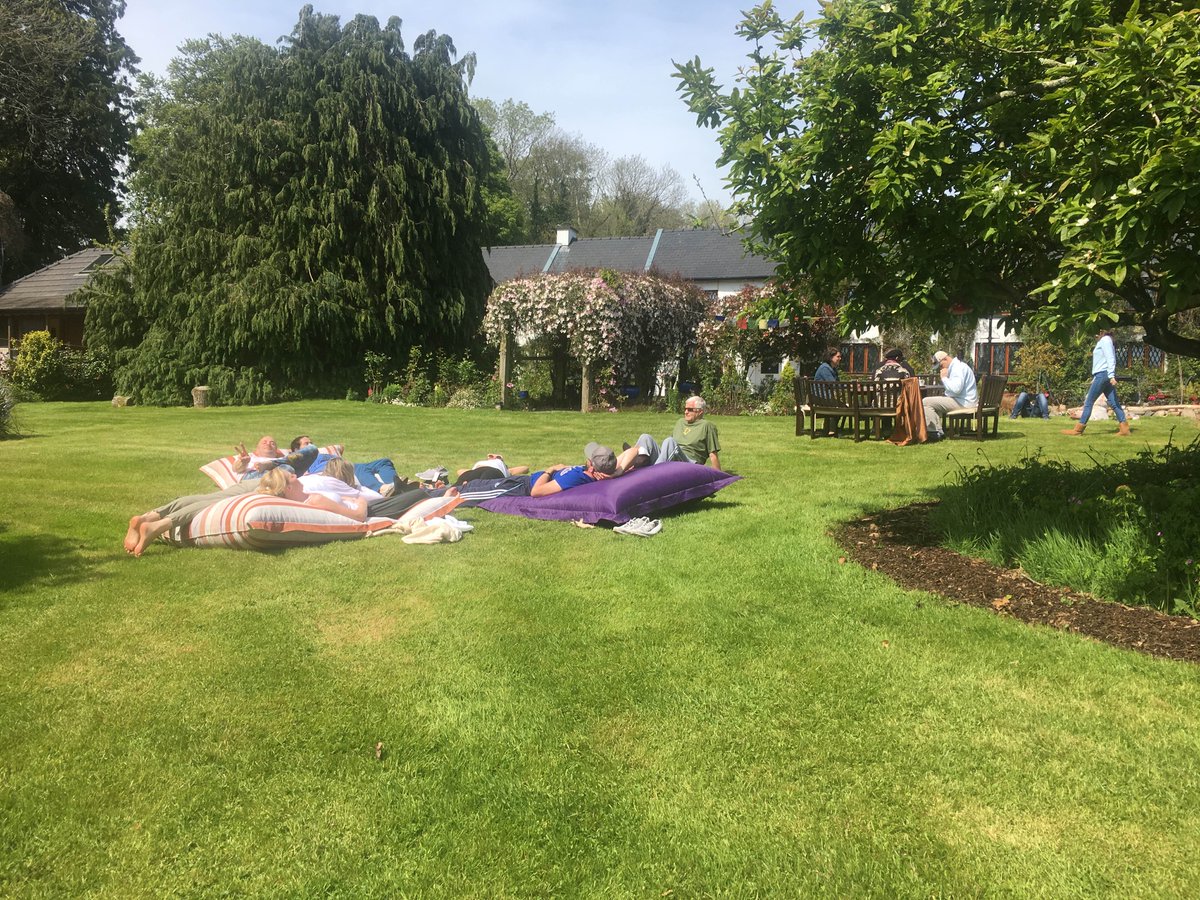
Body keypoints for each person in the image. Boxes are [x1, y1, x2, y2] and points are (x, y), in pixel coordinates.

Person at [448, 443, 618, 505]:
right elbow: (629, 454)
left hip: (522, 487)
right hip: (523, 480)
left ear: (592, 467)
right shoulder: (586, 472)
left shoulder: (577, 477)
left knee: (471, 492)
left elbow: (537, 491)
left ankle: (440, 498)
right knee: (474, 485)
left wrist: (550, 470)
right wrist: (616, 473)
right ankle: (441, 490)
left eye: (589, 459)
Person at [615, 396, 721, 471]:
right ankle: (631, 461)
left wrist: (718, 477)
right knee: (645, 438)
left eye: (690, 409)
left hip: (690, 463)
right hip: (672, 455)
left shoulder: (707, 426)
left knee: (670, 442)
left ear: (700, 411)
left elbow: (713, 454)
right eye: (685, 409)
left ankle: (648, 470)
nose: (686, 412)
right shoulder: (680, 422)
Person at [1064, 328, 1131, 436]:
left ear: (1102, 331)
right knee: (1114, 403)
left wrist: (1111, 375)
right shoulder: (1106, 340)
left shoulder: (1105, 340)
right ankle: (1124, 429)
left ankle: (1078, 430)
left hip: (1103, 374)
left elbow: (1110, 358)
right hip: (1103, 375)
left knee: (1089, 402)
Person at [921, 350, 978, 441]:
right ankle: (938, 432)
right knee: (932, 404)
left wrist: (944, 378)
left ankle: (933, 433)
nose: (940, 369)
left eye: (941, 365)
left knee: (926, 402)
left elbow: (956, 389)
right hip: (964, 401)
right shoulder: (958, 366)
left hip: (963, 403)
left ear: (945, 359)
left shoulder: (957, 368)